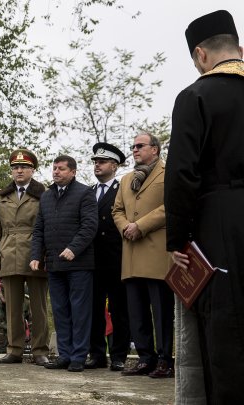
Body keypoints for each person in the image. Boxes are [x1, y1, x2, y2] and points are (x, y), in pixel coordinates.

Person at [166, 10, 244, 402]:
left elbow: (181, 174)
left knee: (224, 326)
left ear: (200, 55)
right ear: (240, 50)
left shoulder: (195, 96)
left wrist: (179, 240)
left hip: (219, 224)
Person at [112, 133, 173, 378]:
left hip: (156, 253)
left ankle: (165, 360)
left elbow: (171, 205)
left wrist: (141, 225)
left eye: (140, 146)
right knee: (136, 312)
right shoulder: (126, 179)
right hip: (131, 253)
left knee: (161, 311)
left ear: (155, 150)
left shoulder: (168, 173)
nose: (134, 150)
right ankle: (145, 359)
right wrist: (125, 225)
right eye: (133, 146)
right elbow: (116, 209)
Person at [30, 155, 97, 372]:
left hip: (78, 264)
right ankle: (64, 355)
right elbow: (39, 229)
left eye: (61, 169)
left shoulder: (85, 193)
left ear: (73, 172)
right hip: (54, 265)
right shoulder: (47, 197)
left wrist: (73, 249)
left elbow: (89, 226)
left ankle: (78, 356)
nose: (56, 172)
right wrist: (35, 256)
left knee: (79, 311)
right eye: (54, 168)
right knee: (60, 311)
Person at [0, 148, 50, 366]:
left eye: (24, 167)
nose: (19, 171)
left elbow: (49, 227)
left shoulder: (44, 195)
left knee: (38, 307)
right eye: (15, 167)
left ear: (32, 170)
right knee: (12, 306)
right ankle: (14, 349)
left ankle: (40, 349)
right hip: (9, 253)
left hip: (35, 253)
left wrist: (46, 254)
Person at [86, 143, 131, 371]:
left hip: (116, 258)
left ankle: (119, 354)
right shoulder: (88, 192)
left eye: (102, 162)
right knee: (94, 309)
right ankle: (96, 353)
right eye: (95, 162)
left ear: (114, 165)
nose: (97, 165)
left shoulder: (123, 189)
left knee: (119, 308)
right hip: (92, 259)